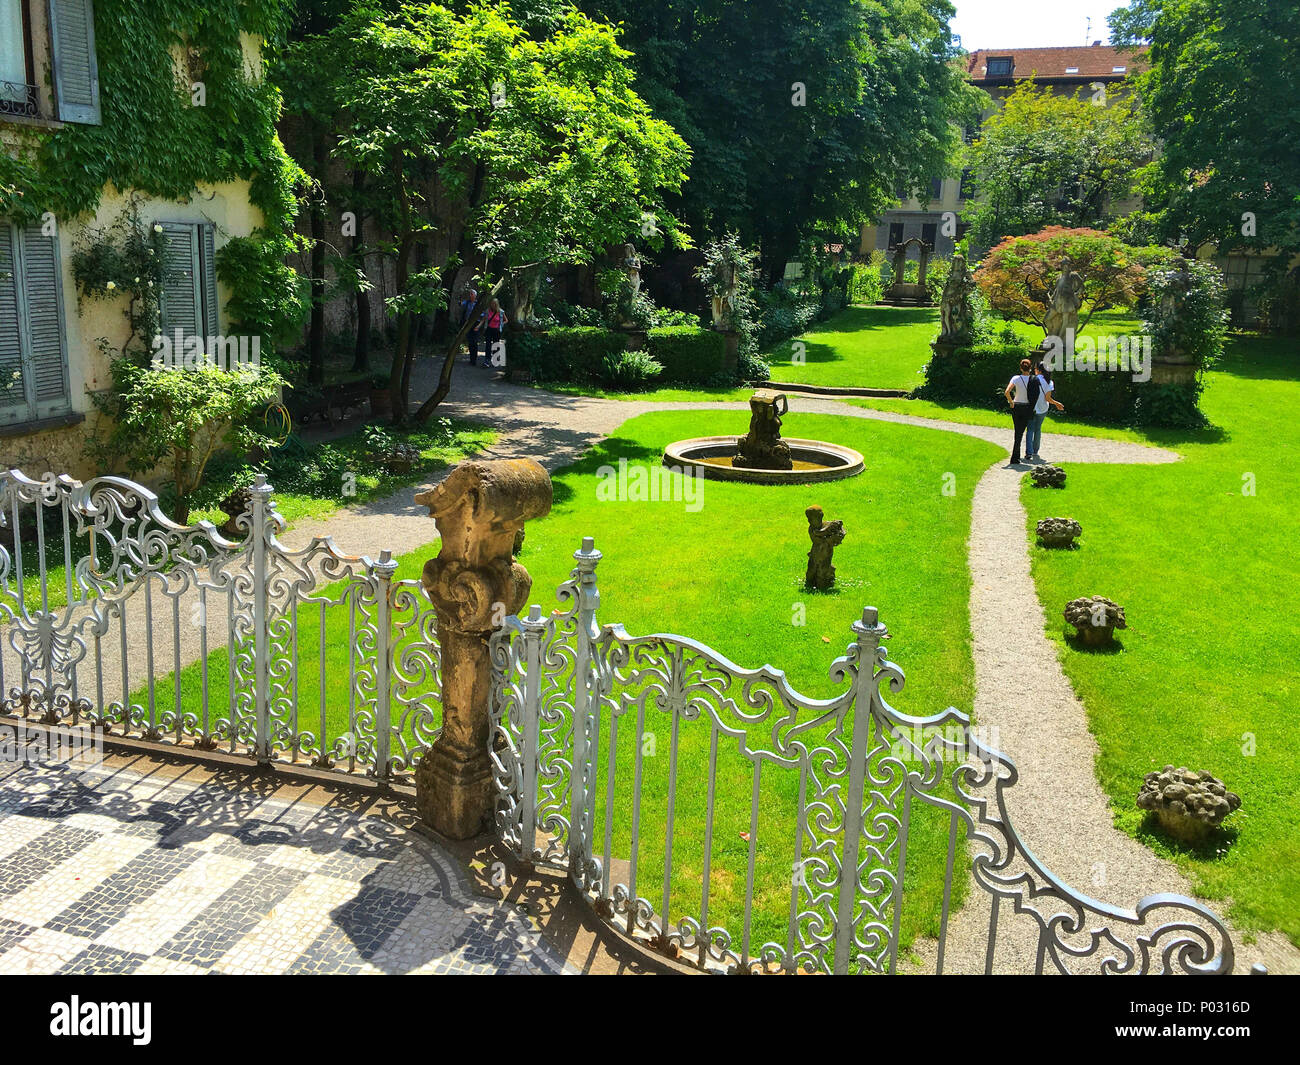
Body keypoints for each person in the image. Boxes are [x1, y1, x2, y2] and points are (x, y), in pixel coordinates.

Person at [1025, 360, 1065, 463]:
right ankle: (1035, 450)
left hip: (1032, 408)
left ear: (1038, 370)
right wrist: (1057, 403)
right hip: (1043, 408)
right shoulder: (1049, 382)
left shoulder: (1033, 379)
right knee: (1038, 429)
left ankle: (1028, 452)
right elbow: (1048, 398)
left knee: (1030, 429)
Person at [1003, 358, 1037, 465]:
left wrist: (1011, 402)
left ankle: (1015, 457)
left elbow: (1007, 392)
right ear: (1030, 368)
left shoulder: (1016, 378)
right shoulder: (1033, 379)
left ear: (1020, 368)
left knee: (1018, 432)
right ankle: (1015, 457)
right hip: (1027, 407)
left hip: (1017, 406)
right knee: (1020, 432)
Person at [459, 288, 481, 365]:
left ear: (475, 295)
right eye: (470, 294)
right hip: (468, 324)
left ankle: (474, 360)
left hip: (475, 324)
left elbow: (482, 315)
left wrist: (478, 326)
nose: (470, 295)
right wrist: (460, 296)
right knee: (470, 342)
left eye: (472, 294)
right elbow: (461, 304)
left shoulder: (478, 304)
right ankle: (471, 359)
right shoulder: (467, 303)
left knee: (474, 342)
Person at [483, 298, 505, 365]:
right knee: (488, 345)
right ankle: (487, 360)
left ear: (497, 304)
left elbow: (506, 320)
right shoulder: (488, 311)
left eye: (494, 304)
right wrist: (478, 326)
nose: (493, 305)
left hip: (496, 330)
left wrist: (501, 324)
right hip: (489, 329)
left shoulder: (501, 312)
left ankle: (495, 359)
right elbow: (483, 320)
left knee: (496, 345)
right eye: (492, 303)